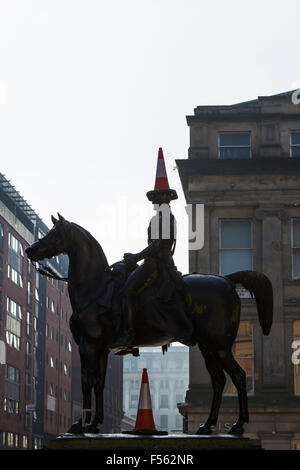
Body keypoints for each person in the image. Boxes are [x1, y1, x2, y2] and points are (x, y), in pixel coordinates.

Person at [109, 148, 185, 352]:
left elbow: (158, 245)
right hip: (156, 262)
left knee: (126, 292)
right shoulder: (162, 216)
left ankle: (128, 336)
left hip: (156, 265)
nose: (156, 202)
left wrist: (136, 256)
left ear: (165, 198)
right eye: (155, 198)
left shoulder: (164, 217)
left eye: (159, 198)